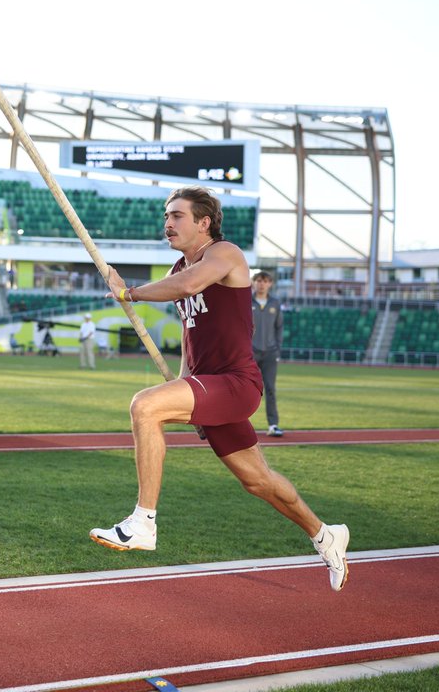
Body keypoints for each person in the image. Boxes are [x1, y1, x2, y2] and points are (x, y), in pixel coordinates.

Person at [90, 186, 349, 592]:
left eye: (177, 216)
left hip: (236, 382)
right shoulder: (178, 268)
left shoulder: (225, 254)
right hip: (208, 386)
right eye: (166, 216)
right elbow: (190, 337)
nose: (168, 223)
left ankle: (144, 522)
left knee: (144, 407)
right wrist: (184, 390)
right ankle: (325, 534)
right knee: (258, 481)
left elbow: (189, 286)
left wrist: (130, 293)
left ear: (204, 222)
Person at [251, 271, 285, 437]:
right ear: (253, 283)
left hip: (270, 353)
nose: (261, 284)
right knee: (246, 389)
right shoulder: (245, 301)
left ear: (270, 283)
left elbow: (279, 327)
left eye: (265, 281)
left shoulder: (275, 303)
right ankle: (239, 425)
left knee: (270, 389)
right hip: (250, 353)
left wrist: (277, 349)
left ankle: (273, 425)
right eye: (258, 280)